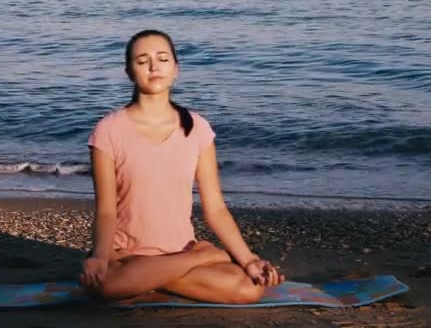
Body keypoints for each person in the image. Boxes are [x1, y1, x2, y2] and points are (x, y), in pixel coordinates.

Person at [79, 29, 285, 304]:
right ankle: (199, 256)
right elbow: (106, 212)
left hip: (177, 250)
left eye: (162, 58)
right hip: (127, 254)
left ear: (176, 69)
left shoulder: (198, 129)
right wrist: (100, 257)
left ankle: (151, 277)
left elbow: (216, 209)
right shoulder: (108, 130)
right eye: (142, 61)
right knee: (102, 286)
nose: (153, 66)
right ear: (129, 72)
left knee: (249, 288)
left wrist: (249, 260)